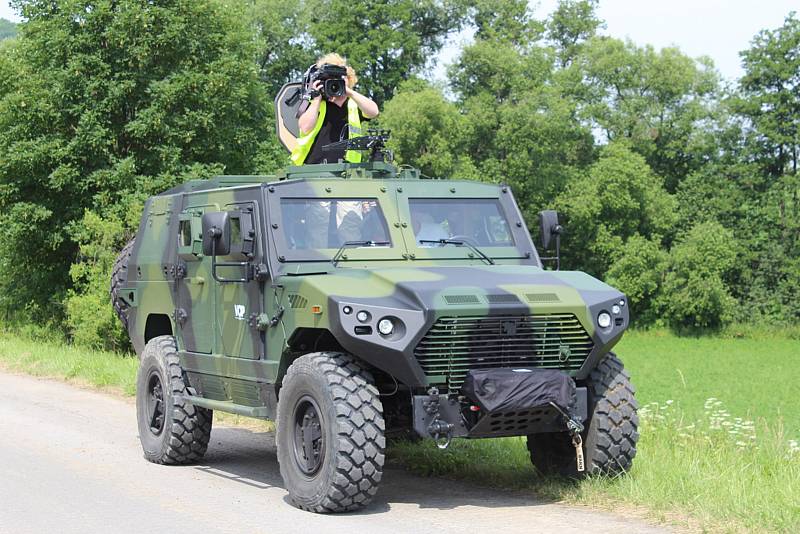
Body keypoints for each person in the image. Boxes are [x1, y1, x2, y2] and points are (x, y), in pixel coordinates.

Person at [291, 53, 379, 165]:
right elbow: (305, 128)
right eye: (331, 78)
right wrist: (316, 99)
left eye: (341, 77)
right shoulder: (317, 103)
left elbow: (374, 112)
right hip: (315, 169)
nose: (336, 81)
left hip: (347, 169)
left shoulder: (353, 105)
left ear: (349, 79)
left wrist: (349, 92)